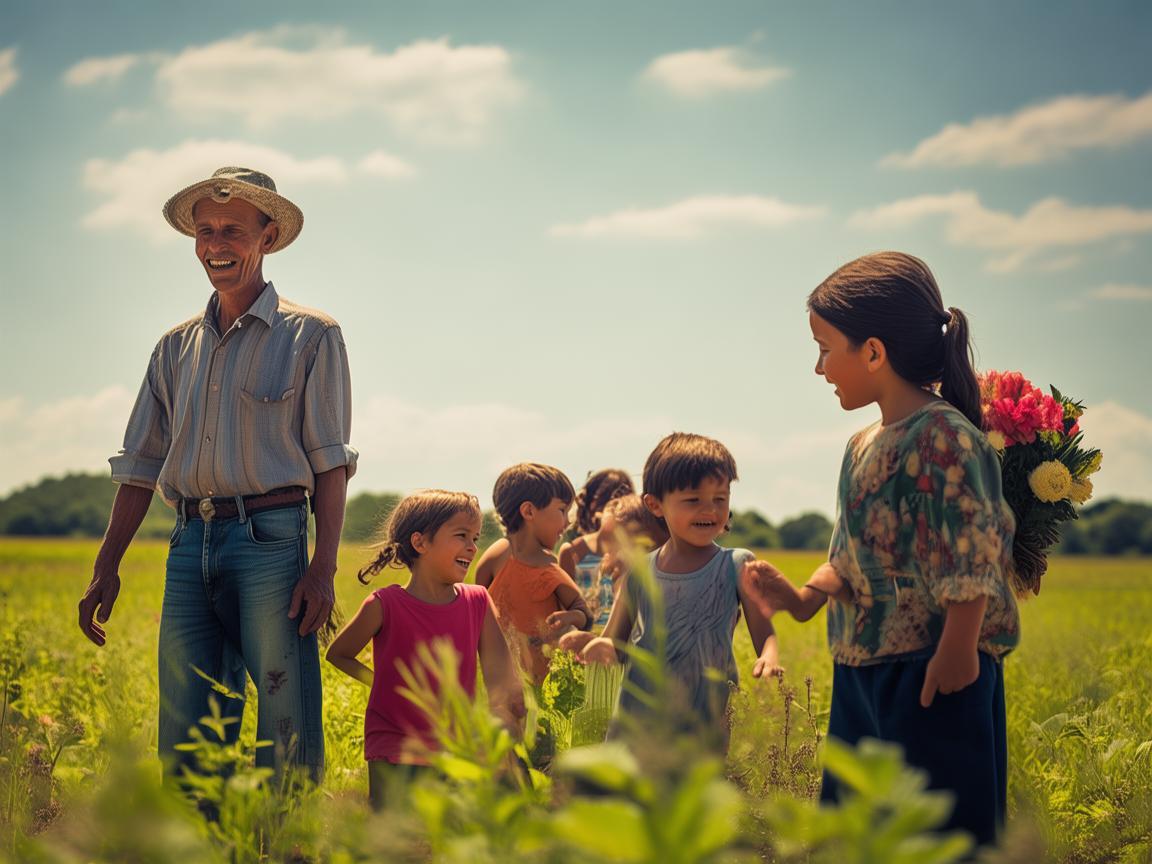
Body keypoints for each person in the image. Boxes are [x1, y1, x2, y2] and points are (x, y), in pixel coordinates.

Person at [77, 167, 357, 783]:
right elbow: (140, 467)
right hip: (188, 544)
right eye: (205, 231)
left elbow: (330, 463)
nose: (215, 244)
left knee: (285, 716)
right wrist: (106, 565)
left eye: (233, 229)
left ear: (268, 235)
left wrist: (324, 568)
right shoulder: (173, 347)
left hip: (273, 543)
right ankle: (196, 840)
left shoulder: (312, 335)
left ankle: (286, 843)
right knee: (187, 719)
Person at [749, 251, 1018, 847]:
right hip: (861, 670)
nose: (819, 368)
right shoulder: (860, 444)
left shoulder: (945, 435)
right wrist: (799, 599)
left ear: (873, 352)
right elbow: (851, 556)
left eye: (825, 348)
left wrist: (958, 653)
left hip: (930, 670)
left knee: (936, 837)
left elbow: (971, 551)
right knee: (858, 836)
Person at [578, 433, 781, 753]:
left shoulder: (736, 564)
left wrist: (769, 657)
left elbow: (765, 632)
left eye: (720, 498)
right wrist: (594, 645)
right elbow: (615, 642)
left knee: (693, 798)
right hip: (637, 719)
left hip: (704, 720)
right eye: (693, 500)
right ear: (655, 504)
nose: (709, 510)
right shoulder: (640, 572)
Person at [325, 490, 523, 810]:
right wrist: (381, 683)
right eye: (461, 535)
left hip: (454, 746)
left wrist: (507, 729)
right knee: (392, 839)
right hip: (393, 744)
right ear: (420, 543)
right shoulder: (384, 605)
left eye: (474, 537)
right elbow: (338, 653)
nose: (472, 547)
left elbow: (503, 680)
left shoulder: (477, 602)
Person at [480, 463, 592, 685]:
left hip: (551, 681)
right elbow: (478, 611)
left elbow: (584, 613)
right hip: (505, 680)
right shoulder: (494, 558)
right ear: (529, 511)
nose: (568, 521)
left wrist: (571, 617)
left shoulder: (549, 567)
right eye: (562, 510)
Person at [558, 468, 635, 628]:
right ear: (593, 504)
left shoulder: (635, 552)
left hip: (624, 641)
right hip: (583, 643)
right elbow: (564, 608)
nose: (616, 511)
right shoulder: (572, 552)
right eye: (611, 503)